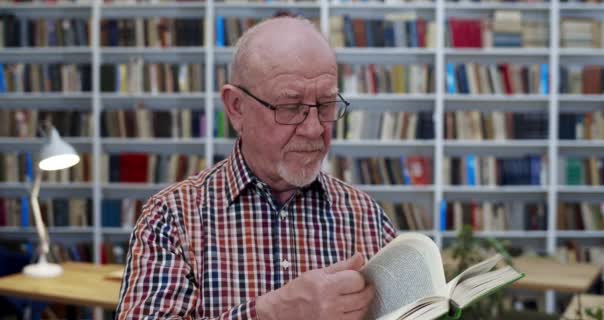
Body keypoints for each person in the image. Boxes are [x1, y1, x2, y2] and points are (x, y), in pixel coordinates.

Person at [116, 16, 396, 320]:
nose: (315, 129)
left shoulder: (366, 216)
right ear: (236, 107)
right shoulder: (171, 218)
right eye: (291, 107)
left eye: (326, 105)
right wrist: (270, 313)